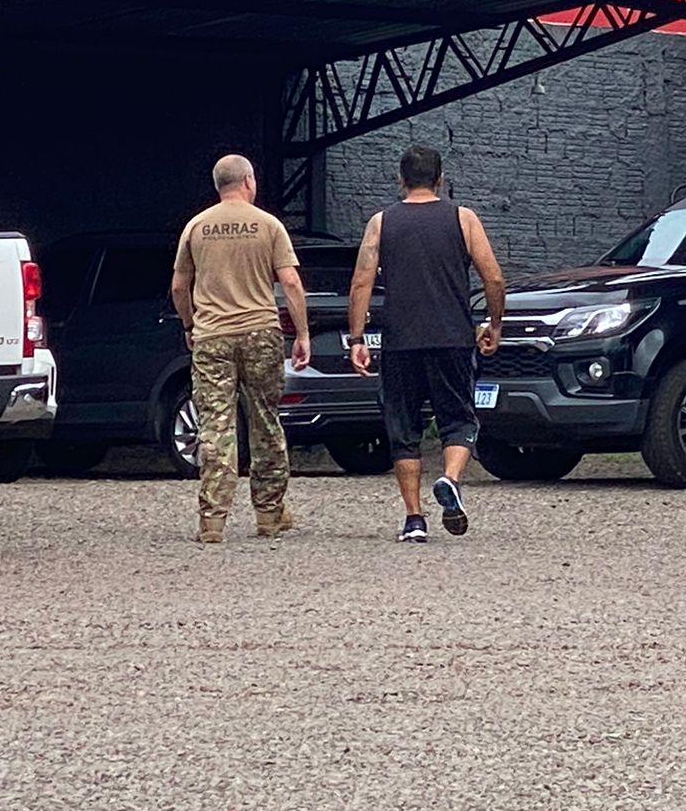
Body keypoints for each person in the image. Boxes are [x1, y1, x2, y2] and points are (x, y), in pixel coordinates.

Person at [348, 144, 504, 543]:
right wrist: (494, 323)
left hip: (400, 341)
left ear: (400, 179)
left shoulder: (381, 222)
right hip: (453, 338)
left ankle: (414, 519)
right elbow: (493, 277)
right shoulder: (463, 218)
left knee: (403, 428)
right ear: (441, 179)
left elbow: (361, 282)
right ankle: (450, 478)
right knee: (458, 418)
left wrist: (357, 339)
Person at [171, 154, 311, 544]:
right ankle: (268, 514)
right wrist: (302, 333)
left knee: (216, 425)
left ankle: (213, 521)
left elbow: (179, 286)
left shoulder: (196, 227)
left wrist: (190, 324)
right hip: (260, 333)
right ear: (249, 181)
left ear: (218, 185)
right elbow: (291, 283)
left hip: (212, 336)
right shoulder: (269, 225)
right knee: (265, 420)